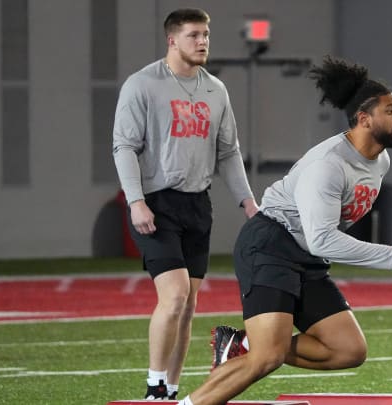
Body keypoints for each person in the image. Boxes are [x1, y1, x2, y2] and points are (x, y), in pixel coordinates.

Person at [174, 56, 392, 405]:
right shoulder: (328, 166)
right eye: (391, 110)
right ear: (364, 119)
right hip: (271, 246)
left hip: (306, 254)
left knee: (348, 350)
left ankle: (243, 345)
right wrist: (391, 255)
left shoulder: (380, 159)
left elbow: (318, 240)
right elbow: (322, 237)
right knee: (267, 359)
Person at [112, 8, 258, 400]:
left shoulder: (216, 89)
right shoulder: (143, 84)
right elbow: (124, 146)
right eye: (194, 35)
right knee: (174, 295)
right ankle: (154, 386)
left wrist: (247, 201)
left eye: (206, 34)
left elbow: (228, 152)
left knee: (189, 304)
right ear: (172, 40)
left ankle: (171, 389)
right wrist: (136, 201)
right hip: (157, 203)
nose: (203, 41)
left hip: (197, 204)